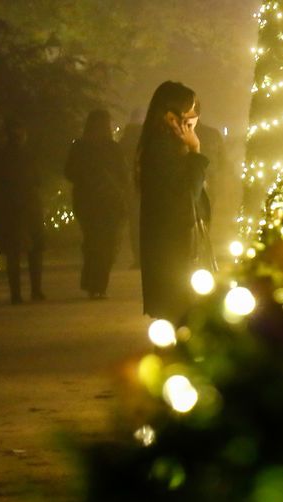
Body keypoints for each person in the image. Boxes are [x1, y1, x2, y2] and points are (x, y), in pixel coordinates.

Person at [137, 81, 210, 322]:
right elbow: (189, 191)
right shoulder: (162, 149)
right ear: (171, 117)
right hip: (172, 247)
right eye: (190, 112)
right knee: (178, 315)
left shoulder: (165, 145)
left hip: (171, 245)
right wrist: (196, 151)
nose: (195, 119)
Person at [65, 109, 130, 299]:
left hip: (99, 202)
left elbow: (123, 175)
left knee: (99, 243)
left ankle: (95, 283)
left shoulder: (90, 147)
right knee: (100, 243)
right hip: (96, 203)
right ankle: (97, 283)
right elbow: (70, 172)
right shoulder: (96, 147)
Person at [0, 119, 44, 305]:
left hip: (9, 207)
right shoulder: (29, 155)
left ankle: (17, 293)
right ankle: (35, 290)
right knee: (33, 250)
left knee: (14, 253)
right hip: (27, 206)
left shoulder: (0, 156)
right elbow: (37, 179)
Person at [118, 108, 144, 269]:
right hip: (146, 186)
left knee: (135, 224)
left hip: (130, 186)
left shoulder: (125, 139)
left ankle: (138, 257)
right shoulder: (148, 138)